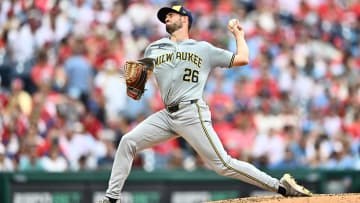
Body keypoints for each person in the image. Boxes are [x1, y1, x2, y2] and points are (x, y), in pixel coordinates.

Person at [99, 5, 312, 203]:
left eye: (170, 15)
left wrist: (239, 35)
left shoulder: (203, 48)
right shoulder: (154, 48)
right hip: (167, 115)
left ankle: (280, 186)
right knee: (128, 141)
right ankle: (112, 198)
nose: (166, 18)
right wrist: (135, 81)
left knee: (223, 165)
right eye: (164, 17)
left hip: (192, 112)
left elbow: (243, 59)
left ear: (184, 19)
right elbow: (140, 77)